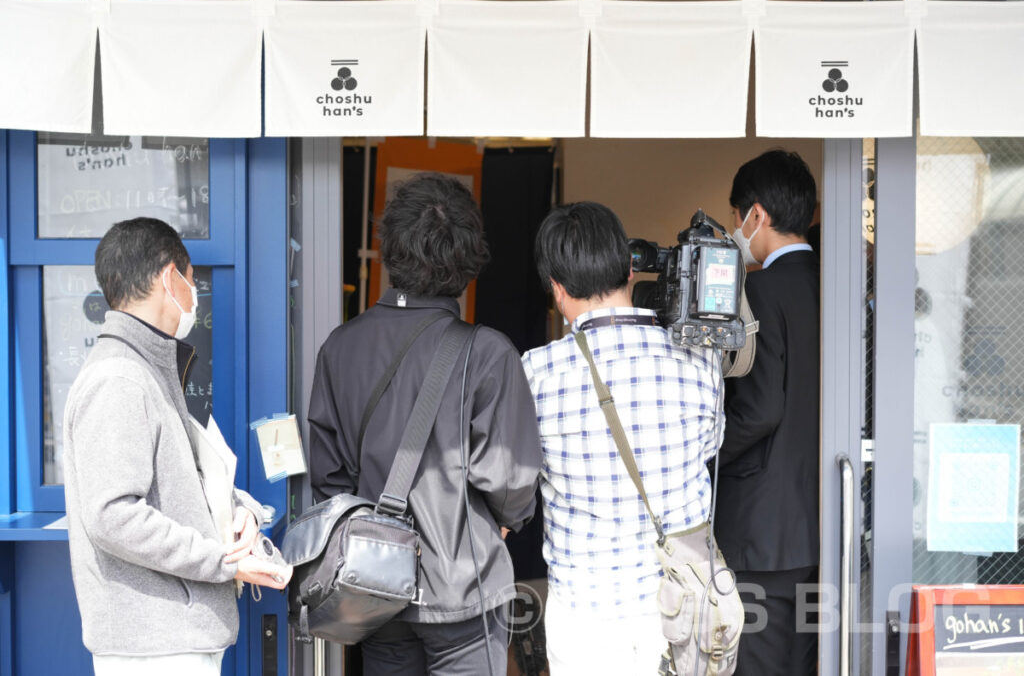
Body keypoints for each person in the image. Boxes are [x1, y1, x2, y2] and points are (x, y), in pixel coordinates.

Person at [308, 172, 543, 676]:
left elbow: (330, 481)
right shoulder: (489, 353)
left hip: (375, 587)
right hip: (464, 585)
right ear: (469, 260)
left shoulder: (340, 347)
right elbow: (511, 480)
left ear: (390, 249)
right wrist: (501, 521)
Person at [62, 217, 289, 676]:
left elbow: (185, 481)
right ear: (170, 278)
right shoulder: (119, 378)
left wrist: (237, 510)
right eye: (191, 280)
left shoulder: (146, 367)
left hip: (169, 639)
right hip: (154, 647)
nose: (194, 293)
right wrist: (223, 561)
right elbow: (113, 514)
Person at [521, 202, 723, 675]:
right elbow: (708, 448)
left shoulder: (536, 372)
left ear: (557, 288)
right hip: (681, 607)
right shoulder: (700, 360)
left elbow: (523, 475)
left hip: (587, 614)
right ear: (631, 268)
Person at [713, 149, 820, 675]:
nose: (737, 230)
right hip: (822, 521)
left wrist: (706, 457)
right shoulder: (833, 285)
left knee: (756, 661)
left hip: (761, 525)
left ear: (756, 215)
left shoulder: (757, 289)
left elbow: (758, 410)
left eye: (736, 218)